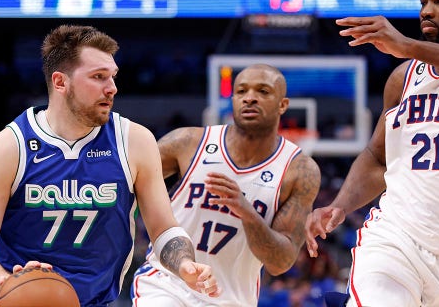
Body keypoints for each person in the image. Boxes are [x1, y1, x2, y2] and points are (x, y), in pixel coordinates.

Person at [0, 24, 220, 307]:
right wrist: (12, 286)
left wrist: (184, 265)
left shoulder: (135, 141)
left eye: (113, 77)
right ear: (60, 82)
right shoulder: (8, 146)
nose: (112, 88)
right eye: (98, 77)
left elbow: (164, 228)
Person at [305, 0, 439, 306]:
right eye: (423, 3)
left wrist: (408, 45)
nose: (426, 11)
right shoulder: (404, 77)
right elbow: (377, 157)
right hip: (398, 238)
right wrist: (341, 204)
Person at [130, 64, 321, 306]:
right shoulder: (188, 142)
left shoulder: (299, 171)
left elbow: (280, 263)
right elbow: (128, 182)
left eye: (263, 91)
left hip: (232, 298)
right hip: (167, 282)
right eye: (242, 91)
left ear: (283, 105)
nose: (250, 98)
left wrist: (248, 213)